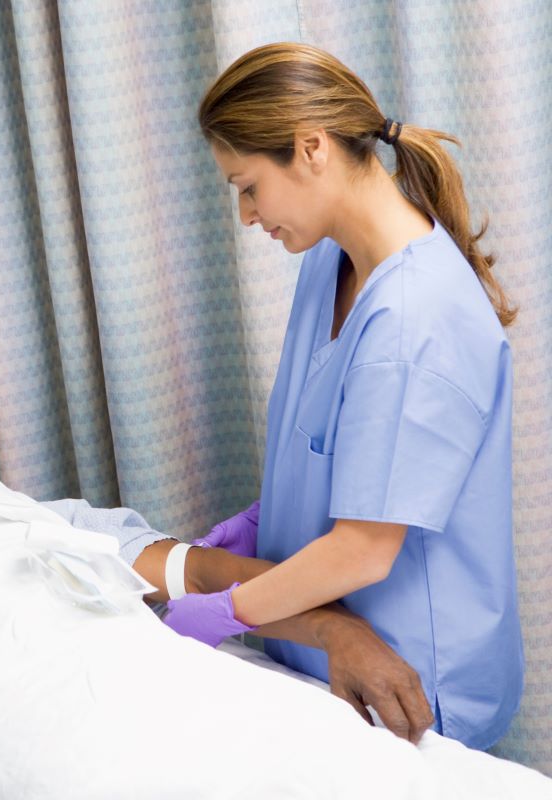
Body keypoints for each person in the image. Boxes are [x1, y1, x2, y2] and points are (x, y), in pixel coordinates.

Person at [0, 443, 432, 800]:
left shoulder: (25, 520)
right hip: (15, 751)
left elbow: (205, 575)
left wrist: (342, 631)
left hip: (167, 703)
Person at [164, 42, 522, 750]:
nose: (245, 215)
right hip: (320, 661)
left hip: (409, 682)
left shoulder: (416, 316)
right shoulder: (330, 260)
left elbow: (365, 550)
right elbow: (338, 448)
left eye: (247, 186)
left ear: (311, 148)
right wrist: (270, 515)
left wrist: (224, 612)